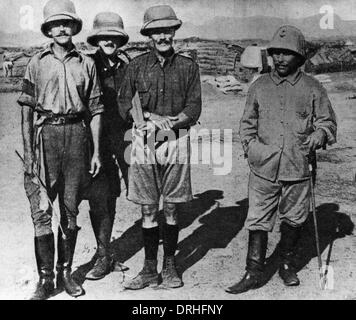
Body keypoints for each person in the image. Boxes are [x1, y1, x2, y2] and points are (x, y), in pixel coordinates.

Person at [226, 25, 337, 294]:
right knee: (258, 220)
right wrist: (252, 148)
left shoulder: (313, 88)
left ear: (299, 57)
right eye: (276, 53)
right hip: (263, 167)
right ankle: (253, 272)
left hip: (298, 167)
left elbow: (328, 123)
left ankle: (286, 266)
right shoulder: (259, 87)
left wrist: (319, 135)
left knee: (295, 218)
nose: (280, 59)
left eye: (287, 54)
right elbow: (247, 124)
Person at [17, 0, 104, 299]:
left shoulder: (87, 63)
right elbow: (26, 110)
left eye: (67, 23)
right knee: (42, 209)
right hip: (46, 138)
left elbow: (95, 109)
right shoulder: (35, 63)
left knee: (70, 210)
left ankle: (66, 273)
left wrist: (96, 152)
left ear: (74, 27)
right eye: (56, 24)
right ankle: (45, 280)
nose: (62, 28)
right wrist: (29, 153)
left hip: (78, 137)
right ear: (49, 29)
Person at [118, 5, 202, 290]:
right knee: (148, 209)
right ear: (149, 35)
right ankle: (148, 268)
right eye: (157, 31)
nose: (163, 36)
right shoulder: (136, 67)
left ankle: (170, 266)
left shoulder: (188, 67)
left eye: (167, 30)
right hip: (144, 142)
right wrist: (144, 120)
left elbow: (193, 107)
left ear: (174, 32)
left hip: (176, 140)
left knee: (172, 209)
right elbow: (123, 103)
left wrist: (169, 123)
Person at [84, 12, 131, 280]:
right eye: (104, 36)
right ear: (97, 39)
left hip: (124, 137)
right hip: (97, 139)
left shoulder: (128, 67)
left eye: (114, 36)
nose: (109, 41)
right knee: (99, 196)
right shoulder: (87, 64)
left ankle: (113, 251)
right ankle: (103, 256)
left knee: (129, 190)